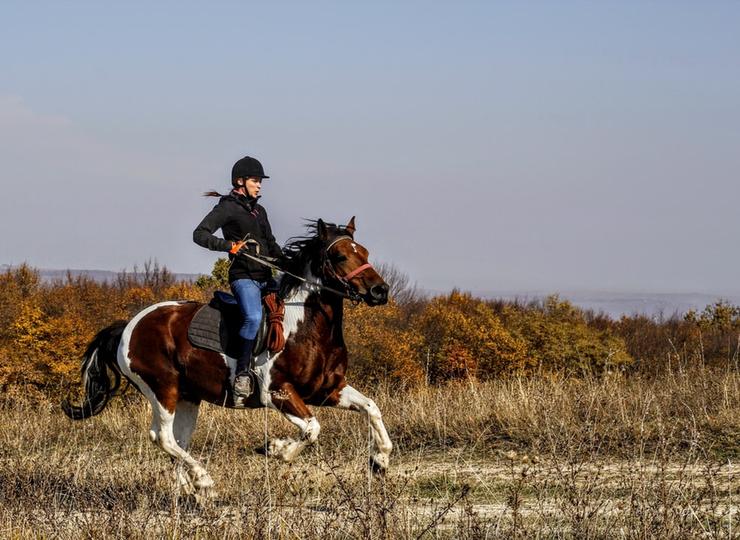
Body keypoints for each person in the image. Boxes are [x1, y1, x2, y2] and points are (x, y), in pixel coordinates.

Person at [193, 156, 283, 398]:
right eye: (255, 180)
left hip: (266, 276)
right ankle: (241, 374)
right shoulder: (227, 207)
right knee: (253, 317)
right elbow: (199, 235)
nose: (260, 185)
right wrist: (228, 246)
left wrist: (289, 261)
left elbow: (271, 244)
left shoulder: (259, 210)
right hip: (244, 277)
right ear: (240, 181)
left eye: (260, 181)